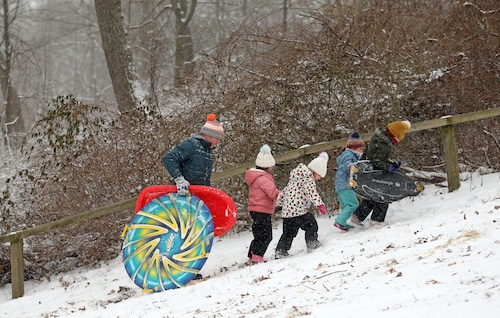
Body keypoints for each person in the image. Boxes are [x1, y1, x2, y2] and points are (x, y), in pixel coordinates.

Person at [348, 121, 411, 227]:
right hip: (373, 172)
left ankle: (357, 218)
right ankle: (376, 221)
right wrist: (389, 167)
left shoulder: (380, 139)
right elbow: (378, 161)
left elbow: (377, 158)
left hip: (367, 170)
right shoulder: (384, 144)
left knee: (373, 195)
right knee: (383, 195)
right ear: (395, 134)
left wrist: (391, 163)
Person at [275, 152, 329, 259]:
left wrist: (279, 203)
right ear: (315, 171)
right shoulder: (308, 178)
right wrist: (320, 204)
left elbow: (285, 191)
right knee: (311, 224)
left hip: (287, 212)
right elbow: (311, 193)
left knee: (288, 233)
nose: (319, 178)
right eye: (319, 176)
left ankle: (281, 250)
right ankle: (312, 243)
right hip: (298, 211)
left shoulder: (294, 178)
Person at [162, 113, 224, 194]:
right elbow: (169, 158)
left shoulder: (209, 154)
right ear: (210, 135)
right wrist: (179, 180)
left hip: (198, 196)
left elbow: (204, 180)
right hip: (183, 196)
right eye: (218, 138)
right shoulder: (192, 145)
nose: (218, 142)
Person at [245, 144, 281, 264]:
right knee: (266, 235)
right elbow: (272, 192)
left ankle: (253, 254)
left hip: (255, 210)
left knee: (259, 233)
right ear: (268, 167)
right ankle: (257, 255)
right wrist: (281, 195)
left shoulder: (256, 177)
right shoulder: (264, 178)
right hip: (262, 210)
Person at [334, 132, 365, 232]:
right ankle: (339, 221)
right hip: (345, 184)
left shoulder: (349, 154)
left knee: (346, 205)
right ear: (354, 147)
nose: (361, 150)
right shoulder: (348, 155)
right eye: (360, 148)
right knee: (353, 204)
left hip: (340, 185)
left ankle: (342, 223)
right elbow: (347, 165)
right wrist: (354, 167)